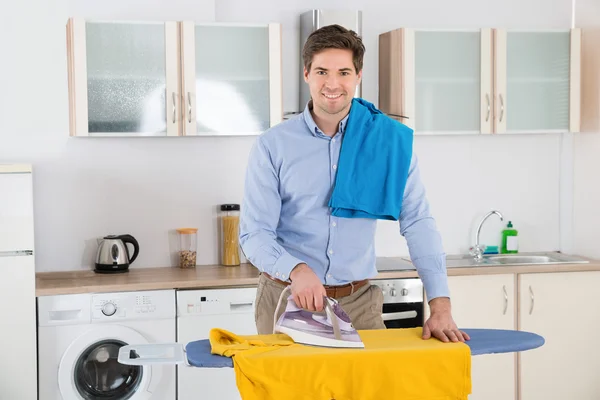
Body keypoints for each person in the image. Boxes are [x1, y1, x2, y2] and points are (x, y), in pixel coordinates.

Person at [239, 24, 469, 344]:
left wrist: (441, 305)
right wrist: (297, 270)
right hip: (287, 301)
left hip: (359, 305)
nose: (333, 84)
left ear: (358, 76)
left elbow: (418, 222)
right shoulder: (272, 145)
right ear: (306, 73)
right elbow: (254, 234)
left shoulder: (388, 143)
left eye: (344, 72)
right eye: (322, 71)